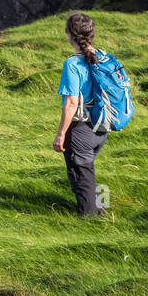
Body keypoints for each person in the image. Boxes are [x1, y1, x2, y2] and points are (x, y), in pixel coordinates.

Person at [53, 12, 108, 217]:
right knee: (86, 172)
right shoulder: (104, 56)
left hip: (81, 130)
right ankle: (100, 212)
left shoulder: (72, 64)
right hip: (102, 127)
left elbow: (71, 103)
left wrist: (60, 134)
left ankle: (91, 219)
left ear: (69, 35)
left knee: (81, 176)